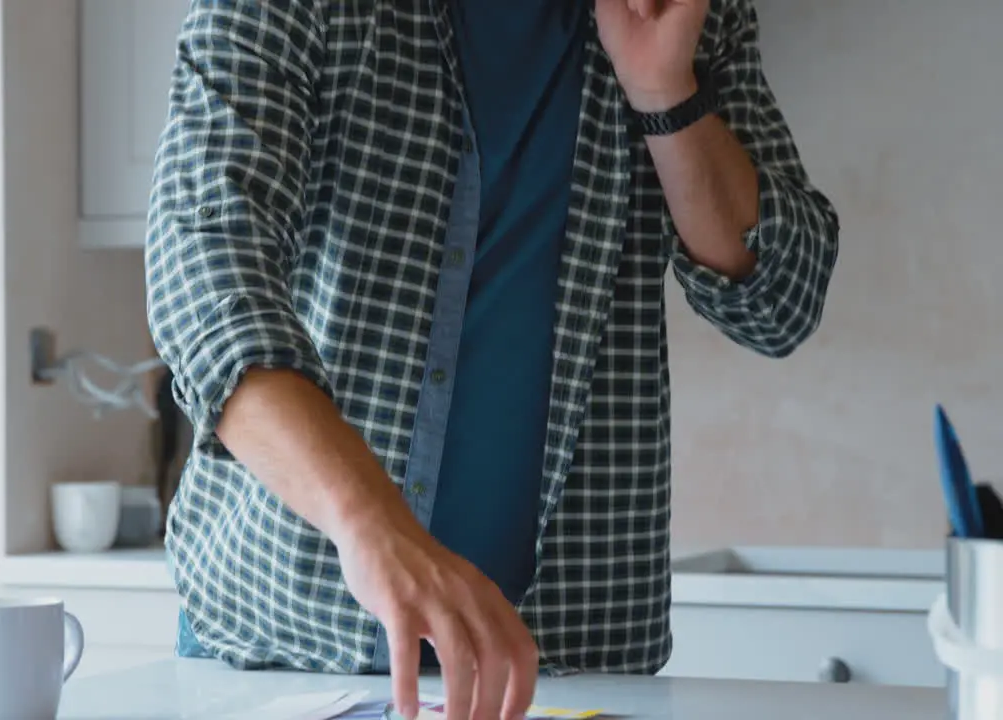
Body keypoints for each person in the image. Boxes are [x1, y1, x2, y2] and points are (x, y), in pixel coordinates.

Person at [144, 0, 839, 718]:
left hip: (568, 661)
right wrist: (369, 524)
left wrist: (665, 90)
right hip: (287, 646)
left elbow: (779, 302)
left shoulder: (692, 10)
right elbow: (206, 272)